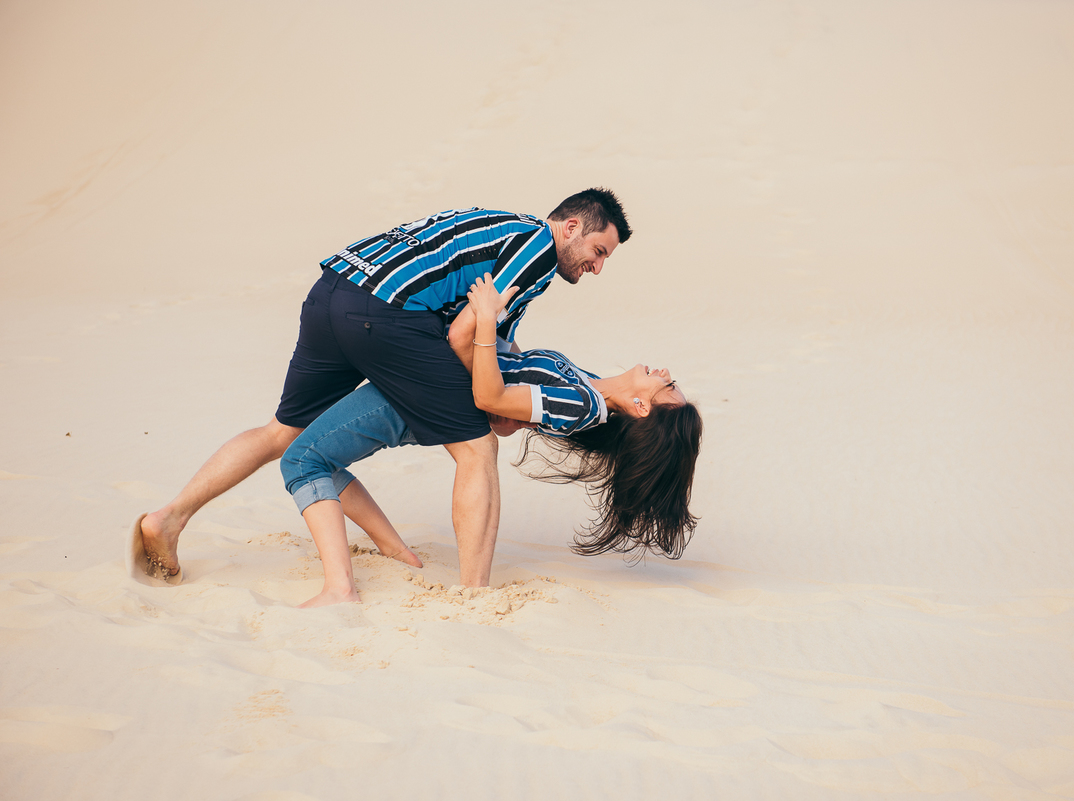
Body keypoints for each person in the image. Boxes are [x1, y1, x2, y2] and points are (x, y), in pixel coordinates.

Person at [130, 189, 632, 586]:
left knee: (282, 431)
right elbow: (463, 334)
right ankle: (475, 592)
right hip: (385, 314)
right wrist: (490, 405)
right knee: (476, 449)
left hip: (334, 291)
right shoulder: (538, 250)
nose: (598, 266)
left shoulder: (502, 226)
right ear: (570, 228)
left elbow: (496, 337)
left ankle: (168, 518)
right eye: (597, 250)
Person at [279, 275, 702, 607]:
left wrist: (482, 321)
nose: (665, 373)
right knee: (320, 459)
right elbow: (510, 386)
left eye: (669, 386)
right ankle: (396, 552)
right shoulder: (587, 387)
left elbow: (492, 396)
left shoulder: (584, 405)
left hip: (420, 395)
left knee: (302, 462)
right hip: (427, 387)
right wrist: (500, 318)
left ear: (643, 408)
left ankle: (340, 589)